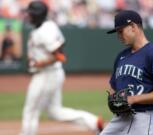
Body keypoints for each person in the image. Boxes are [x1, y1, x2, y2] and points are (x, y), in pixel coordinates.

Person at [19, 1, 103, 135]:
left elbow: (60, 56)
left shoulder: (44, 30)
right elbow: (60, 46)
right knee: (54, 112)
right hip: (53, 74)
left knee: (31, 111)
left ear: (37, 15)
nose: (28, 15)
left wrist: (41, 63)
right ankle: (92, 122)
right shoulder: (49, 25)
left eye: (30, 13)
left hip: (46, 75)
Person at [100, 10, 153, 135]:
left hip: (143, 119)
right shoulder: (121, 56)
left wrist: (134, 99)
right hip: (120, 119)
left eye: (120, 31)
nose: (118, 36)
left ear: (133, 27)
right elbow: (114, 88)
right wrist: (114, 99)